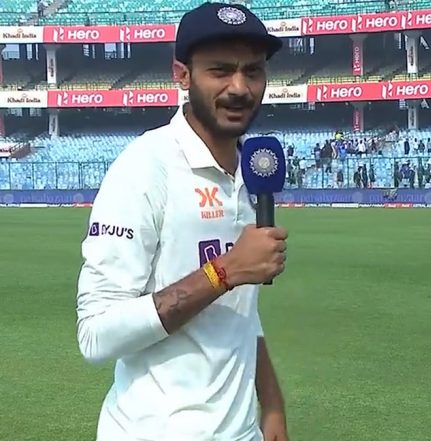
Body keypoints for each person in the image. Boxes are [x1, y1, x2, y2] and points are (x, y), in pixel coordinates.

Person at [75, 3, 290, 440]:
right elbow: (95, 335)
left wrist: (271, 405)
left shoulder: (251, 171)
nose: (240, 87)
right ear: (182, 74)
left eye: (253, 71)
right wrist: (225, 271)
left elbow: (240, 313)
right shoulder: (144, 167)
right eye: (220, 70)